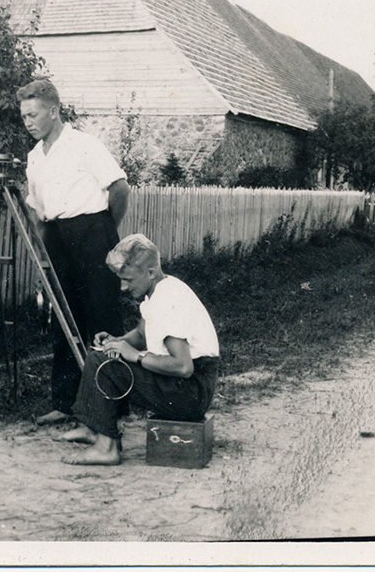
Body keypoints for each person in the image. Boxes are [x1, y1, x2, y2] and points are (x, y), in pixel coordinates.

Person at [17, 78, 130, 426]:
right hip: (57, 236)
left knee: (101, 318)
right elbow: (36, 210)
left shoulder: (84, 144)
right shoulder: (34, 157)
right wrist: (45, 246)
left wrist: (105, 231)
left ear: (53, 111)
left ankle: (110, 406)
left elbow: (120, 187)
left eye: (33, 115)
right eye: (23, 117)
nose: (28, 122)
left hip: (93, 231)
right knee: (63, 319)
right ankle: (65, 403)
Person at [59, 234, 221, 466]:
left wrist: (135, 355)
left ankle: (107, 448)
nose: (123, 287)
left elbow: (184, 366)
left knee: (102, 366)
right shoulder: (160, 290)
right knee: (101, 355)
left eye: (128, 280)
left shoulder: (167, 299)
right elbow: (141, 335)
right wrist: (116, 341)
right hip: (189, 387)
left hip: (191, 391)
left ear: (151, 273)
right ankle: (94, 429)